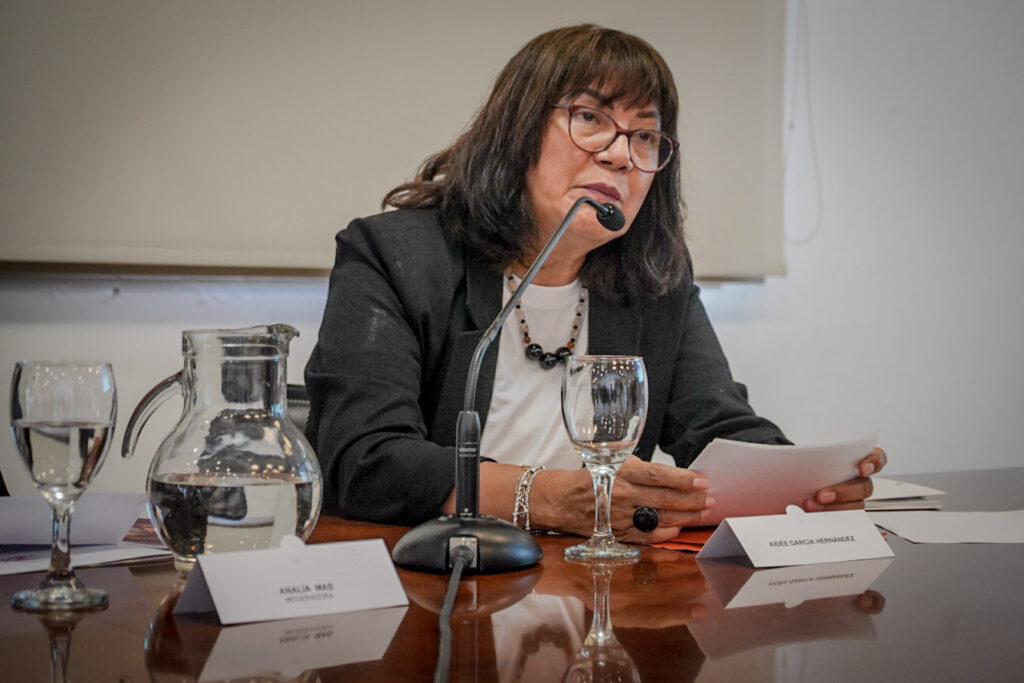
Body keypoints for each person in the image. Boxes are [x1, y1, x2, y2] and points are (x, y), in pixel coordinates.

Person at [304, 24, 886, 543]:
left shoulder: (654, 281)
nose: (621, 156)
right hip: (436, 580)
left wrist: (804, 485)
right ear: (517, 130)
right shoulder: (398, 256)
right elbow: (364, 460)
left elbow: (717, 426)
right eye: (590, 118)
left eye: (645, 136)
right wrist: (550, 498)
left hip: (598, 589)